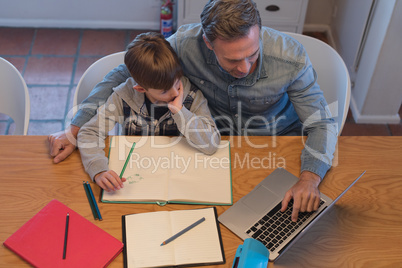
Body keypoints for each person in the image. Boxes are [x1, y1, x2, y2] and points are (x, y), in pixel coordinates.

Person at [49, 0, 337, 221]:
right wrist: (74, 130)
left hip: (274, 144)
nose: (245, 68)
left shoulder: (291, 57)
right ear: (208, 44)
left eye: (253, 54)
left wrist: (309, 179)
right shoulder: (184, 45)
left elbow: (322, 124)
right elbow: (122, 77)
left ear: (259, 32)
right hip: (208, 143)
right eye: (233, 60)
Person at [77, 32, 220, 192]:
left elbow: (211, 144)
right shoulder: (122, 97)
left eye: (177, 82)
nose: (175, 93)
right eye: (165, 91)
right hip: (136, 177)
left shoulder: (192, 95)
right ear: (141, 89)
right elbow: (89, 133)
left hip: (179, 174)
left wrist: (180, 112)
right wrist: (99, 170)